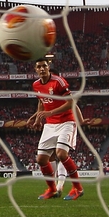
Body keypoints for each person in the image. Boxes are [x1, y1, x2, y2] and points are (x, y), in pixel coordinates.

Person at [27, 60, 88, 201]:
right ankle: (52, 189)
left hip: (66, 122)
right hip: (50, 125)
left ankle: (78, 188)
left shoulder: (59, 82)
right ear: (35, 70)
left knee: (61, 154)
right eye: (39, 67)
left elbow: (71, 103)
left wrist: (51, 113)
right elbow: (41, 102)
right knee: (41, 159)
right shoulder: (35, 85)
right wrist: (37, 120)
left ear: (48, 68)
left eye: (44, 66)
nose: (42, 69)